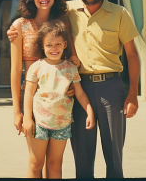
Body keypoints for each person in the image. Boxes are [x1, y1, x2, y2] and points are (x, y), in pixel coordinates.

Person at [8, 0, 140, 178]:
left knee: (106, 156)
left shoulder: (108, 14)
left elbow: (131, 55)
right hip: (56, 94)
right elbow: (15, 71)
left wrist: (132, 94)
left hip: (98, 90)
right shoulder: (45, 18)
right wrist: (14, 30)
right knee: (63, 159)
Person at [9, 0, 80, 175]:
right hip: (33, 102)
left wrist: (73, 85)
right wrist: (17, 112)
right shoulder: (19, 26)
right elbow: (15, 72)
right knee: (36, 163)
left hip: (60, 103)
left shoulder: (64, 24)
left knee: (56, 164)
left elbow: (72, 62)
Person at [23, 20, 95, 178]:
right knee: (36, 164)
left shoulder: (70, 68)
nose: (53, 48)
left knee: (55, 164)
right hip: (40, 124)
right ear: (42, 46)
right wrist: (27, 119)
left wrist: (90, 112)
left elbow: (80, 93)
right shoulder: (36, 67)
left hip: (62, 124)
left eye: (57, 44)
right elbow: (28, 94)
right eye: (49, 45)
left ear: (64, 45)